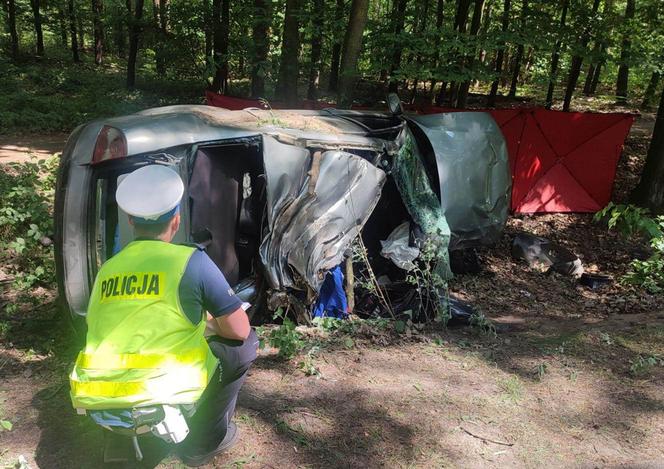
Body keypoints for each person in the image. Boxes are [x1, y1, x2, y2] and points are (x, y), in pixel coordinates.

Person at [69, 164, 258, 467]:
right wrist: (207, 325)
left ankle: (121, 435)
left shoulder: (108, 269)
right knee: (245, 345)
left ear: (130, 221)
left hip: (98, 393)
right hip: (161, 389)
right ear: (176, 220)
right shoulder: (190, 261)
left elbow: (105, 325)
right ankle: (203, 442)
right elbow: (238, 329)